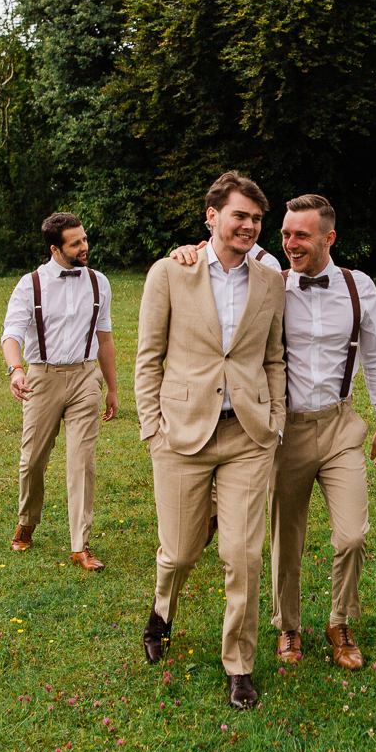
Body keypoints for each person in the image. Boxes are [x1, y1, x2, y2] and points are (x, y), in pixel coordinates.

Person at [174, 194, 376, 669]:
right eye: (285, 235)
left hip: (341, 425)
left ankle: (340, 621)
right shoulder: (270, 284)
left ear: (328, 238)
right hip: (284, 431)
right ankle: (289, 627)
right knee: (286, 538)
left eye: (301, 235)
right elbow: (221, 255)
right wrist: (188, 250)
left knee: (353, 535)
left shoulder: (360, 288)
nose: (290, 244)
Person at [134, 171, 288, 710]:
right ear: (212, 217)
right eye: (239, 215)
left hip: (248, 433)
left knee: (242, 556)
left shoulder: (272, 281)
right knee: (179, 552)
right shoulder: (169, 274)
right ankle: (161, 608)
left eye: (256, 218)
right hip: (181, 435)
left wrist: (275, 422)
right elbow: (148, 357)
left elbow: (273, 358)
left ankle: (239, 666)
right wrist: (153, 428)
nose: (248, 225)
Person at [0, 211, 118, 570]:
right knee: (33, 459)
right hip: (42, 377)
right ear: (56, 248)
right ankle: (27, 520)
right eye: (76, 242)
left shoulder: (99, 282)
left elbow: (105, 338)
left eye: (84, 238)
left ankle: (80, 544)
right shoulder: (30, 284)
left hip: (85, 376)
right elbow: (12, 333)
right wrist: (16, 370)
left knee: (82, 460)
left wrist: (112, 387)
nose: (85, 246)